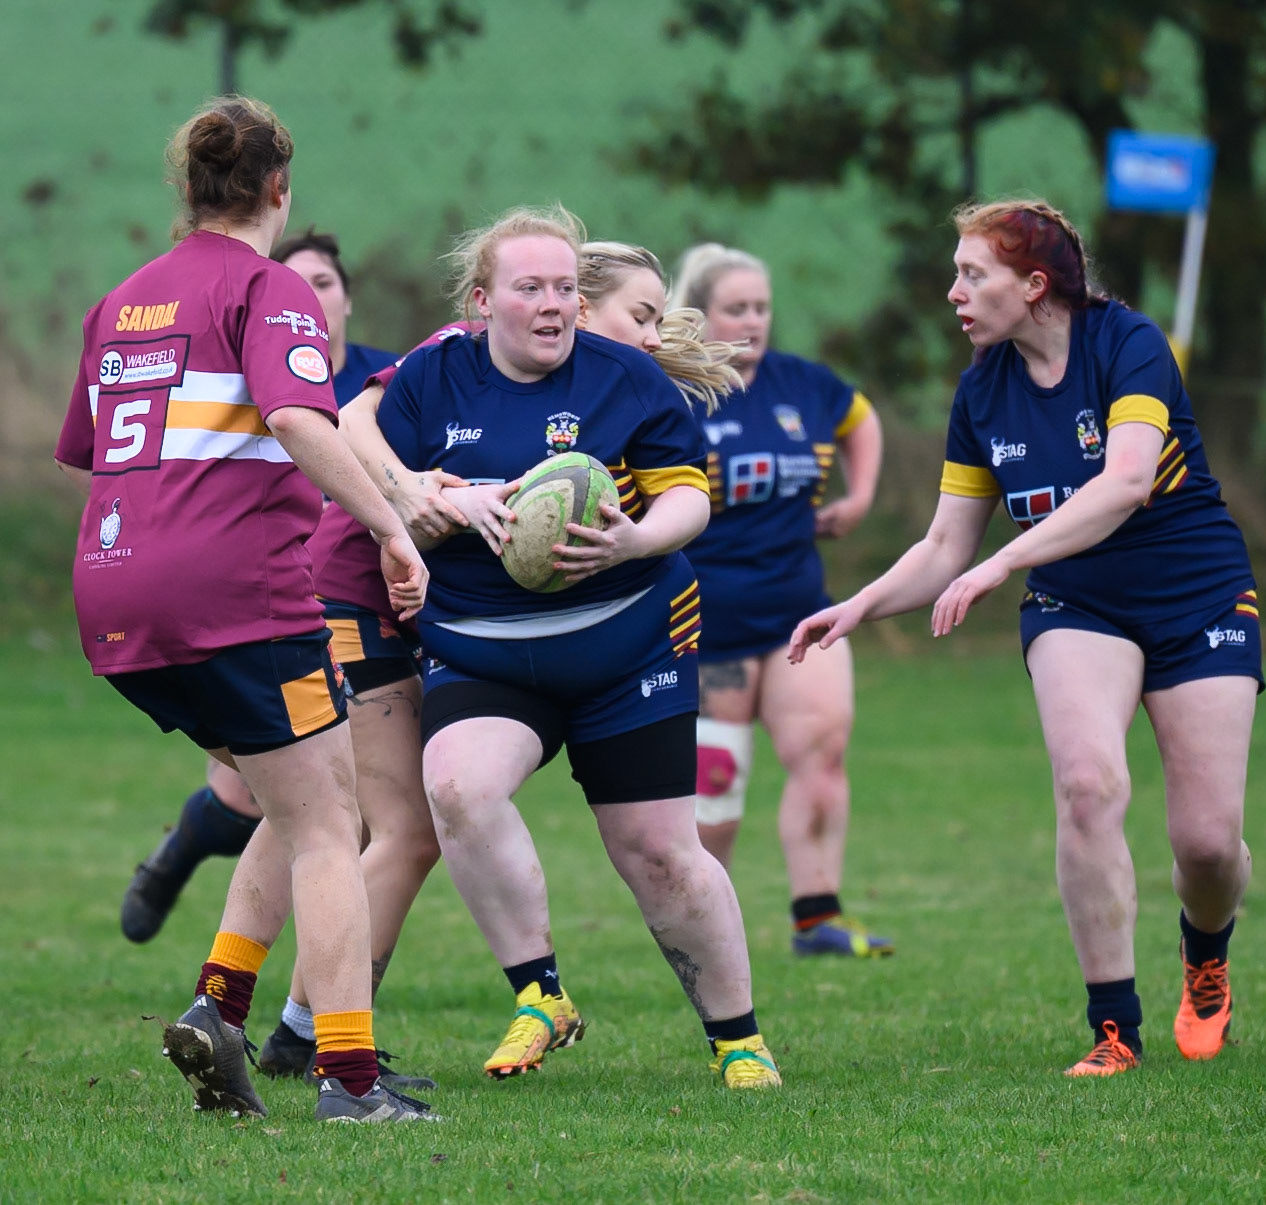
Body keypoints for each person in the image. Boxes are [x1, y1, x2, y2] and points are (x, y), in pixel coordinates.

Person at [789, 198, 1260, 1075]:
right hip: (1077, 605)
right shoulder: (983, 391)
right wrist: (856, 604)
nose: (953, 291)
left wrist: (1002, 565)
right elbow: (944, 546)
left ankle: (1206, 956)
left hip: (1198, 596)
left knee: (1204, 843)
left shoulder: (1127, 345)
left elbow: (1123, 482)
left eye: (973, 274)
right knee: (1087, 786)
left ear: (1034, 285)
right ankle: (1114, 1026)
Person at [53, 96, 436, 1122]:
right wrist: (394, 526)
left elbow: (95, 449)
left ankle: (218, 1006)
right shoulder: (270, 291)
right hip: (232, 589)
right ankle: (350, 1080)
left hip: (113, 590)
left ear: (186, 190)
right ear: (279, 189)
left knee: (296, 781)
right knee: (330, 821)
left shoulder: (121, 298)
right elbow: (303, 420)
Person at [347, 207, 780, 1089]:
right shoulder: (437, 375)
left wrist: (637, 540)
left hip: (627, 651)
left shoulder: (623, 375)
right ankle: (541, 994)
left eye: (566, 290)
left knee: (658, 851)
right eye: (530, 288)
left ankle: (737, 1039)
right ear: (483, 302)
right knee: (458, 785)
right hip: (484, 651)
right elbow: (359, 448)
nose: (554, 305)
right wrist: (426, 495)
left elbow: (690, 498)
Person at [120, 228, 400, 947]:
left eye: (326, 282)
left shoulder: (381, 385)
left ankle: (242, 1011)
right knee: (298, 803)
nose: (311, 293)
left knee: (320, 801)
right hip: (251, 600)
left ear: (347, 298)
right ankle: (186, 851)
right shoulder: (248, 351)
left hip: (334, 597)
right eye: (296, 277)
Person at [669, 243, 891, 958]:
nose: (754, 321)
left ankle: (816, 918)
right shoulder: (677, 393)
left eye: (761, 307)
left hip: (802, 613)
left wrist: (859, 498)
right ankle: (706, 922)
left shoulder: (804, 384)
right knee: (717, 785)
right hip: (710, 626)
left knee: (822, 756)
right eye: (737, 308)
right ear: (699, 314)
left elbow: (861, 418)